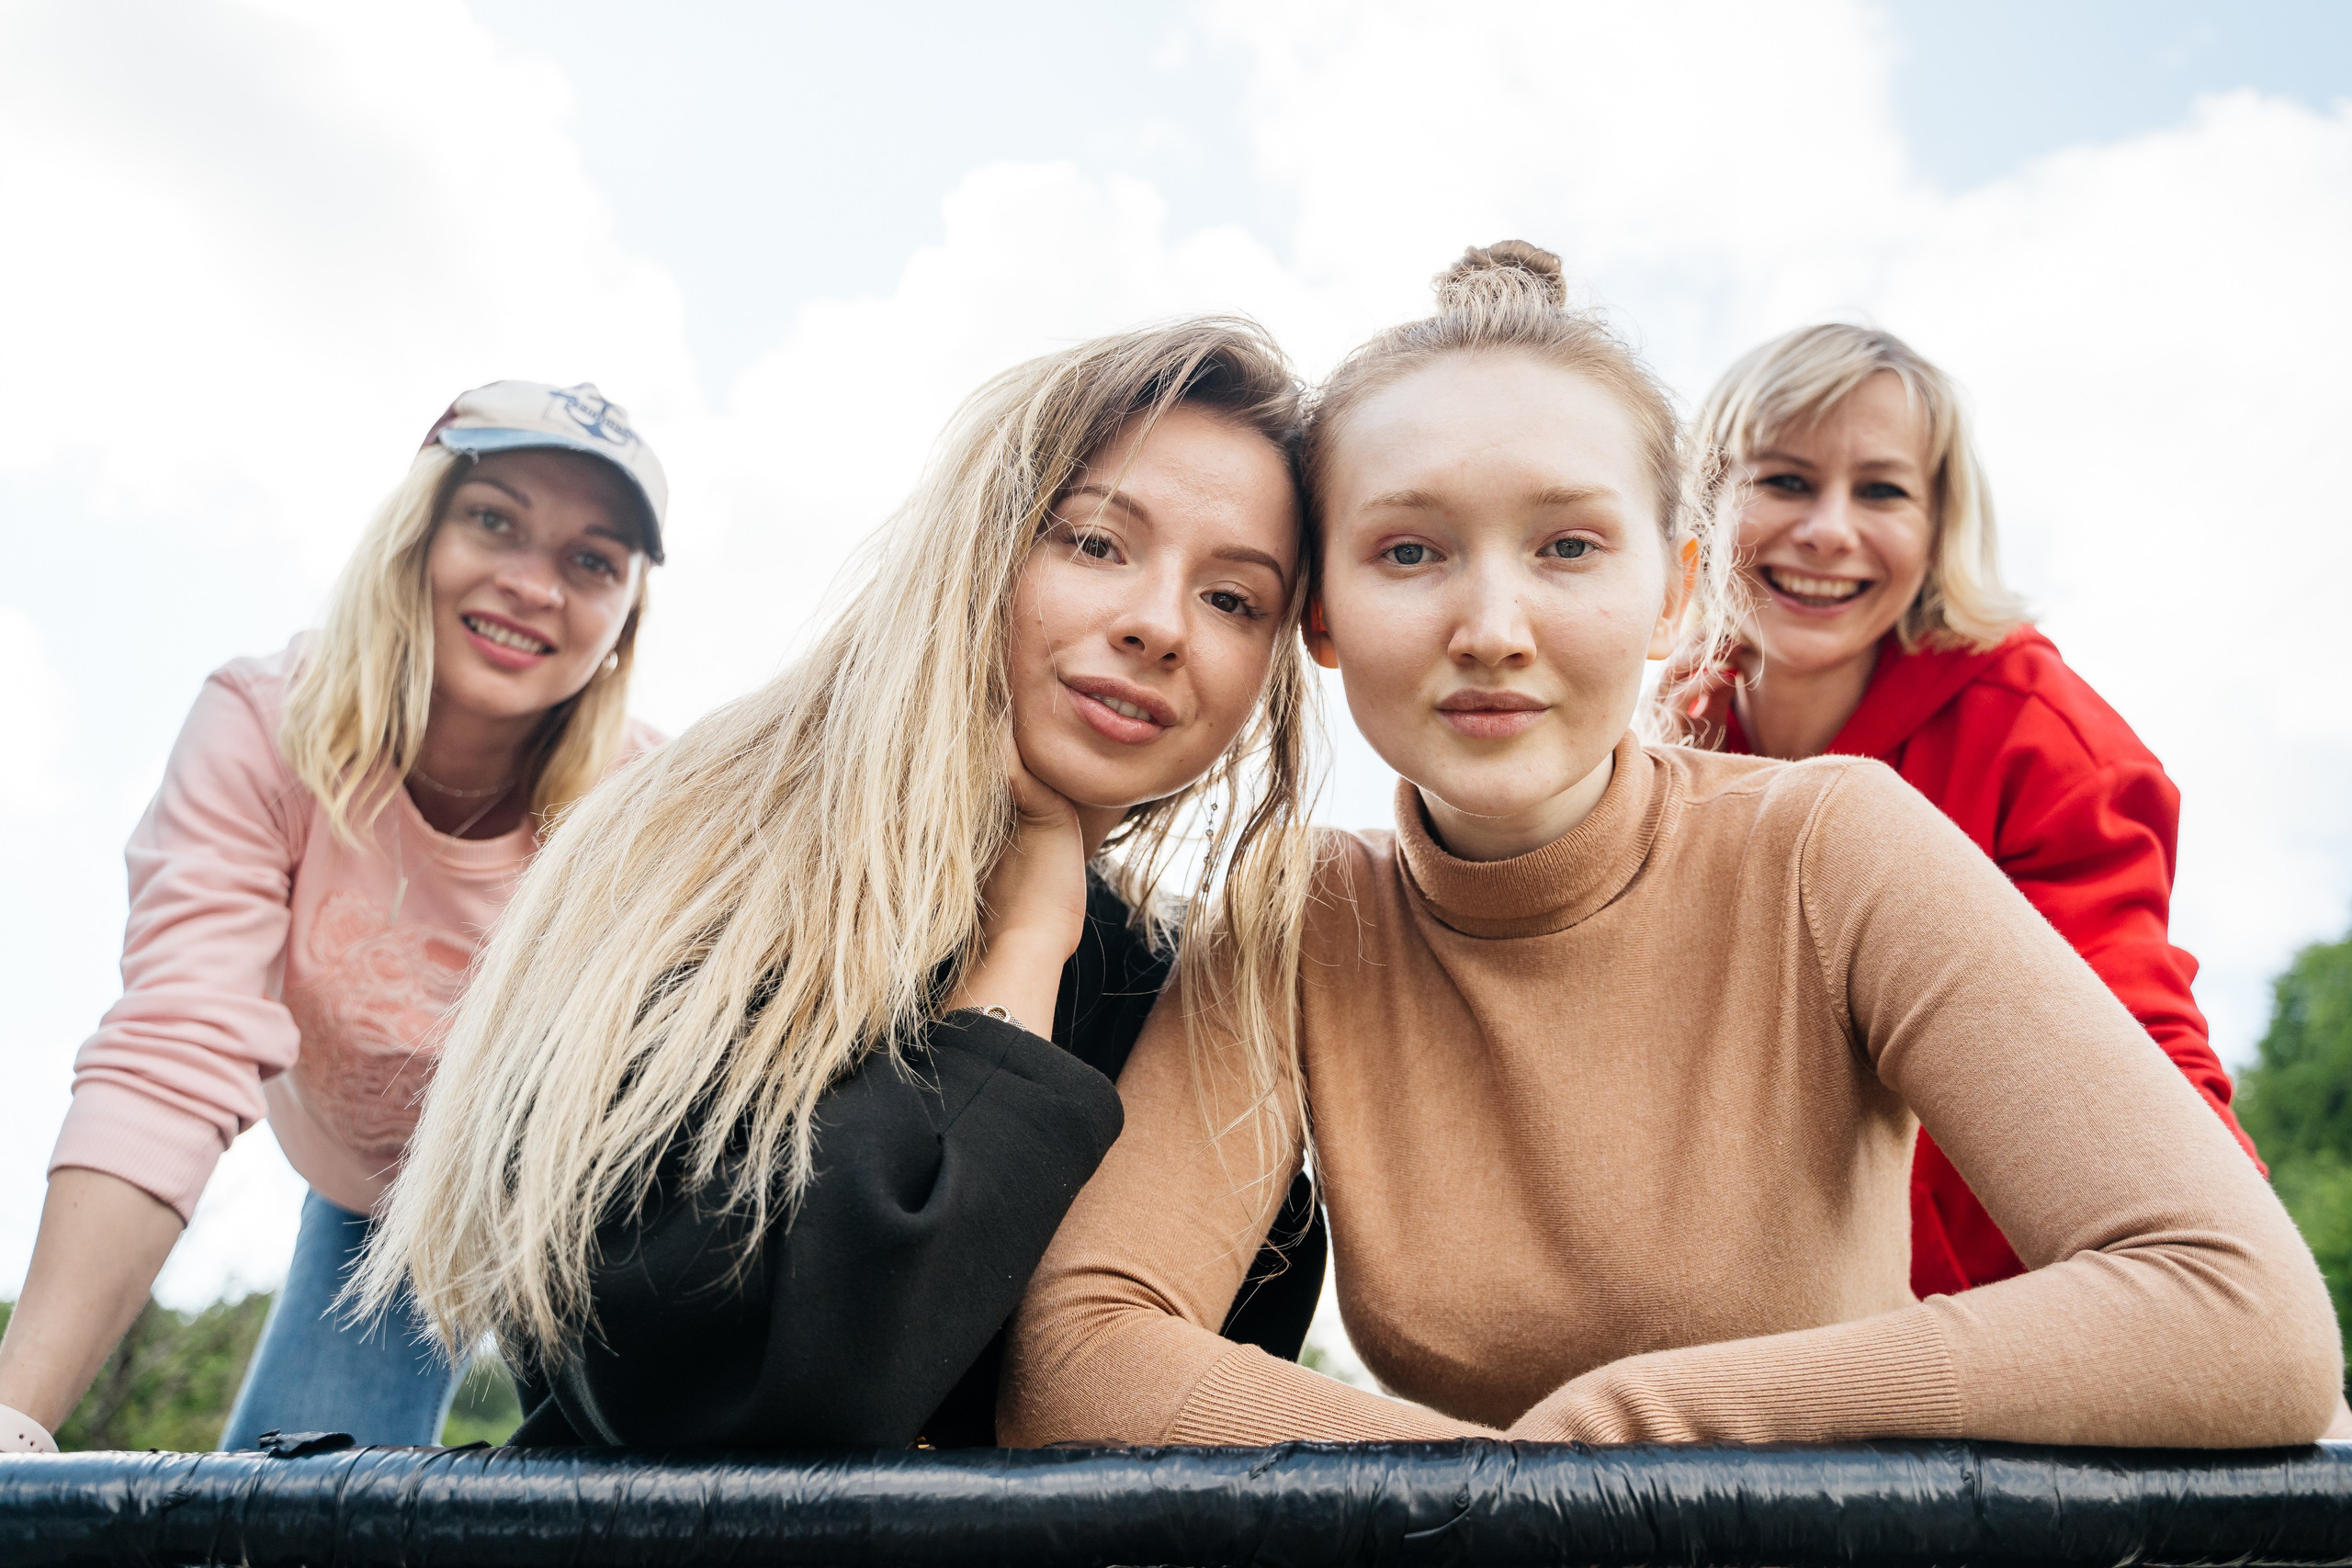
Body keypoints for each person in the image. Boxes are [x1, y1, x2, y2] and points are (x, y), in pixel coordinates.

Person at [999, 243, 2339, 1450]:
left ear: (1674, 591)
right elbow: (1081, 1354)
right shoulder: (1295, 912)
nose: (1493, 625)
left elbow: (2243, 1311)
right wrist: (1508, 1492)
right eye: (1410, 550)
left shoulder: (1835, 842)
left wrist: (1642, 1427)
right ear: (1324, 614)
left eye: (1570, 544)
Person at [354, 319, 1328, 1450]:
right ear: (980, 546)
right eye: (1097, 544)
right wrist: (1022, 946)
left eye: (1232, 600)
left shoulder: (1176, 997)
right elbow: (762, 1386)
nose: (1159, 625)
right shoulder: (708, 848)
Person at [0, 382, 669, 1454]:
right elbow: (177, 1048)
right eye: (493, 519)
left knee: (665, 1500)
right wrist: (15, 1413)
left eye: (591, 561)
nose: (533, 583)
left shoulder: (642, 809)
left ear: (625, 616)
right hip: (375, 1214)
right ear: (415, 536)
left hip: (591, 1212)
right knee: (285, 1518)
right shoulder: (265, 729)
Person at [1670, 323, 2257, 1297]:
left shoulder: (2037, 737)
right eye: (1781, 480)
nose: (1827, 529)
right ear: (1701, 499)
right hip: (1750, 1309)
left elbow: (2126, 1030)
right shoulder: (1659, 731)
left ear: (1940, 527)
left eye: (1882, 491)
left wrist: (2226, 1268)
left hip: (2005, 1308)